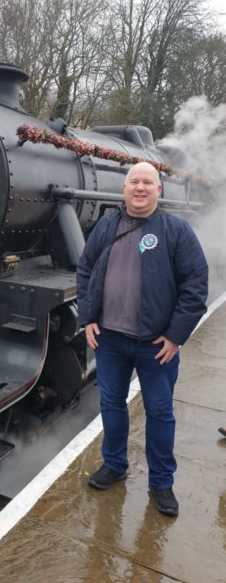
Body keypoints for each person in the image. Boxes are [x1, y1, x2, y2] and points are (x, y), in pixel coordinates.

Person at [76, 162, 208, 517]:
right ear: (124, 188)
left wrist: (175, 335)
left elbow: (195, 287)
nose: (140, 188)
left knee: (161, 413)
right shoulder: (106, 225)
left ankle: (162, 483)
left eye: (147, 182)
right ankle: (115, 465)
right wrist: (87, 317)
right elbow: (85, 268)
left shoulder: (176, 231)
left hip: (155, 344)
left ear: (158, 190)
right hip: (110, 340)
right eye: (134, 181)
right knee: (111, 405)